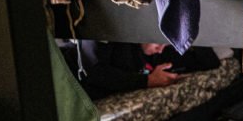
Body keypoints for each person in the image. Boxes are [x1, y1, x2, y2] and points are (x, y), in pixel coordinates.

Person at [58, 39, 221, 100]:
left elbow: (210, 62)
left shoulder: (156, 52)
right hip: (62, 77)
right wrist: (147, 81)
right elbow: (93, 72)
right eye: (159, 42)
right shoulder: (111, 32)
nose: (160, 49)